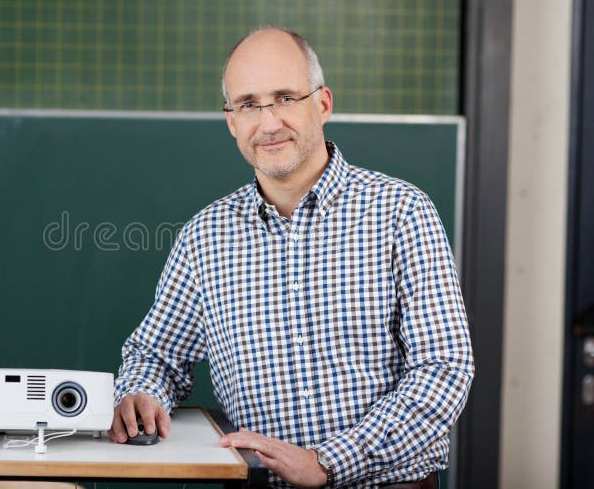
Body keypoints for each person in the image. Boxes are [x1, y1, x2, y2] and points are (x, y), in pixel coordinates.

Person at [108, 26, 474, 488]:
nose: (268, 122)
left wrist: (329, 461)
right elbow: (156, 355)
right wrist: (140, 392)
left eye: (285, 97)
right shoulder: (205, 237)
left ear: (322, 104)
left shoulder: (401, 213)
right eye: (248, 105)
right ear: (231, 122)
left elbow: (444, 369)